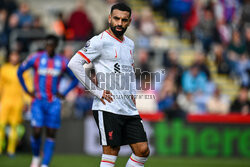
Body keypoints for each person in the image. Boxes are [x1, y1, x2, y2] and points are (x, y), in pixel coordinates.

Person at [68, 3, 150, 167]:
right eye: (116, 19)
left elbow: (129, 71)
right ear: (109, 18)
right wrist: (96, 91)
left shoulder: (130, 44)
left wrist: (133, 94)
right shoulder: (99, 41)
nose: (120, 23)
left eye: (124, 20)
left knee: (142, 150)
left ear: (129, 21)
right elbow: (74, 63)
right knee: (112, 151)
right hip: (108, 107)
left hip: (128, 107)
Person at [17, 35, 78, 167]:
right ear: (45, 45)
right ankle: (36, 157)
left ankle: (45, 164)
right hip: (38, 101)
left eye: (52, 45)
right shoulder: (36, 58)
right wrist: (27, 90)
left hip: (54, 103)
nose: (49, 47)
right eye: (47, 44)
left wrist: (64, 93)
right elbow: (20, 71)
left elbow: (75, 78)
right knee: (37, 131)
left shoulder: (62, 61)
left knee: (51, 133)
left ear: (56, 46)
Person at [0, 51, 32, 156]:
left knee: (14, 126)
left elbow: (27, 86)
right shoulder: (4, 69)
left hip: (17, 101)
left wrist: (27, 100)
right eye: (12, 55)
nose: (14, 58)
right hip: (5, 100)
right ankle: (0, 148)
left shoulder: (23, 70)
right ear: (9, 57)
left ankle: (11, 150)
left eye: (16, 56)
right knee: (1, 125)